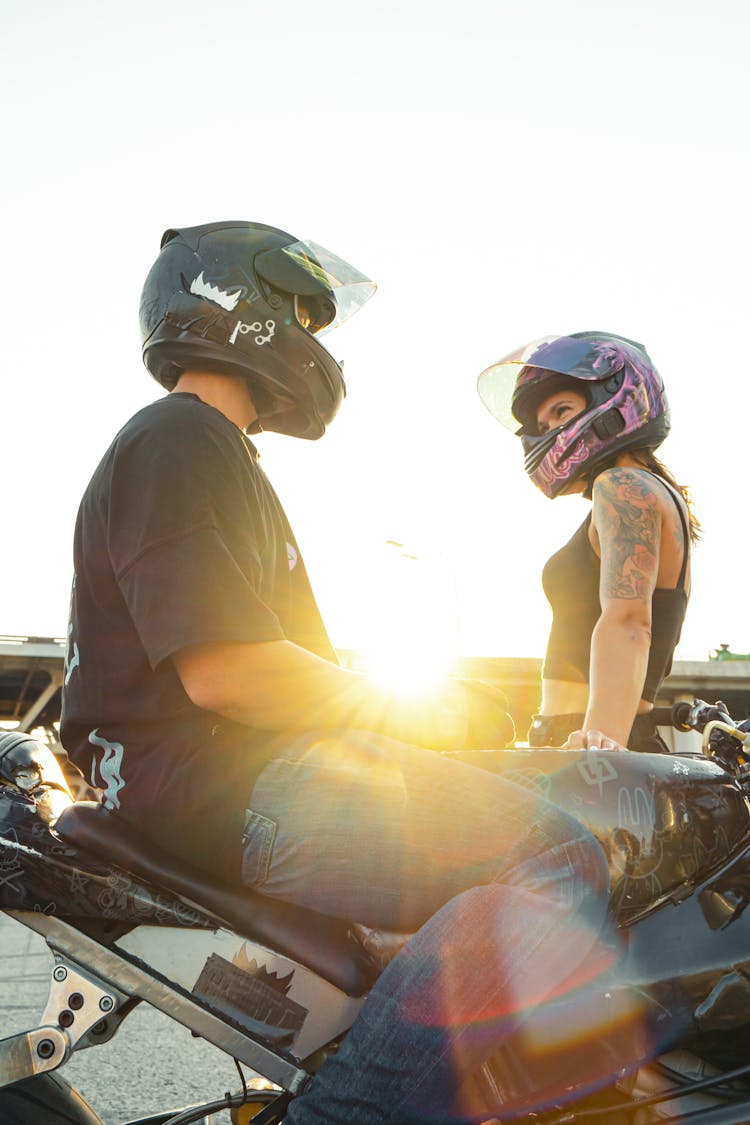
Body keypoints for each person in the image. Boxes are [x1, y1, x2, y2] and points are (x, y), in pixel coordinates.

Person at [61, 225, 614, 1123]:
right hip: (224, 786)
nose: (317, 347)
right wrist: (423, 711)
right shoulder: (180, 436)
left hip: (213, 781)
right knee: (555, 855)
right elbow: (229, 672)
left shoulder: (212, 450)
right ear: (242, 307)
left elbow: (273, 663)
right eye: (305, 318)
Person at [478, 331, 699, 754]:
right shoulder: (643, 490)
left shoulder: (622, 486)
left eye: (562, 411)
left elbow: (630, 621)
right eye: (543, 425)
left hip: (597, 740)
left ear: (617, 399)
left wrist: (600, 744)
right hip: (584, 737)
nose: (551, 431)